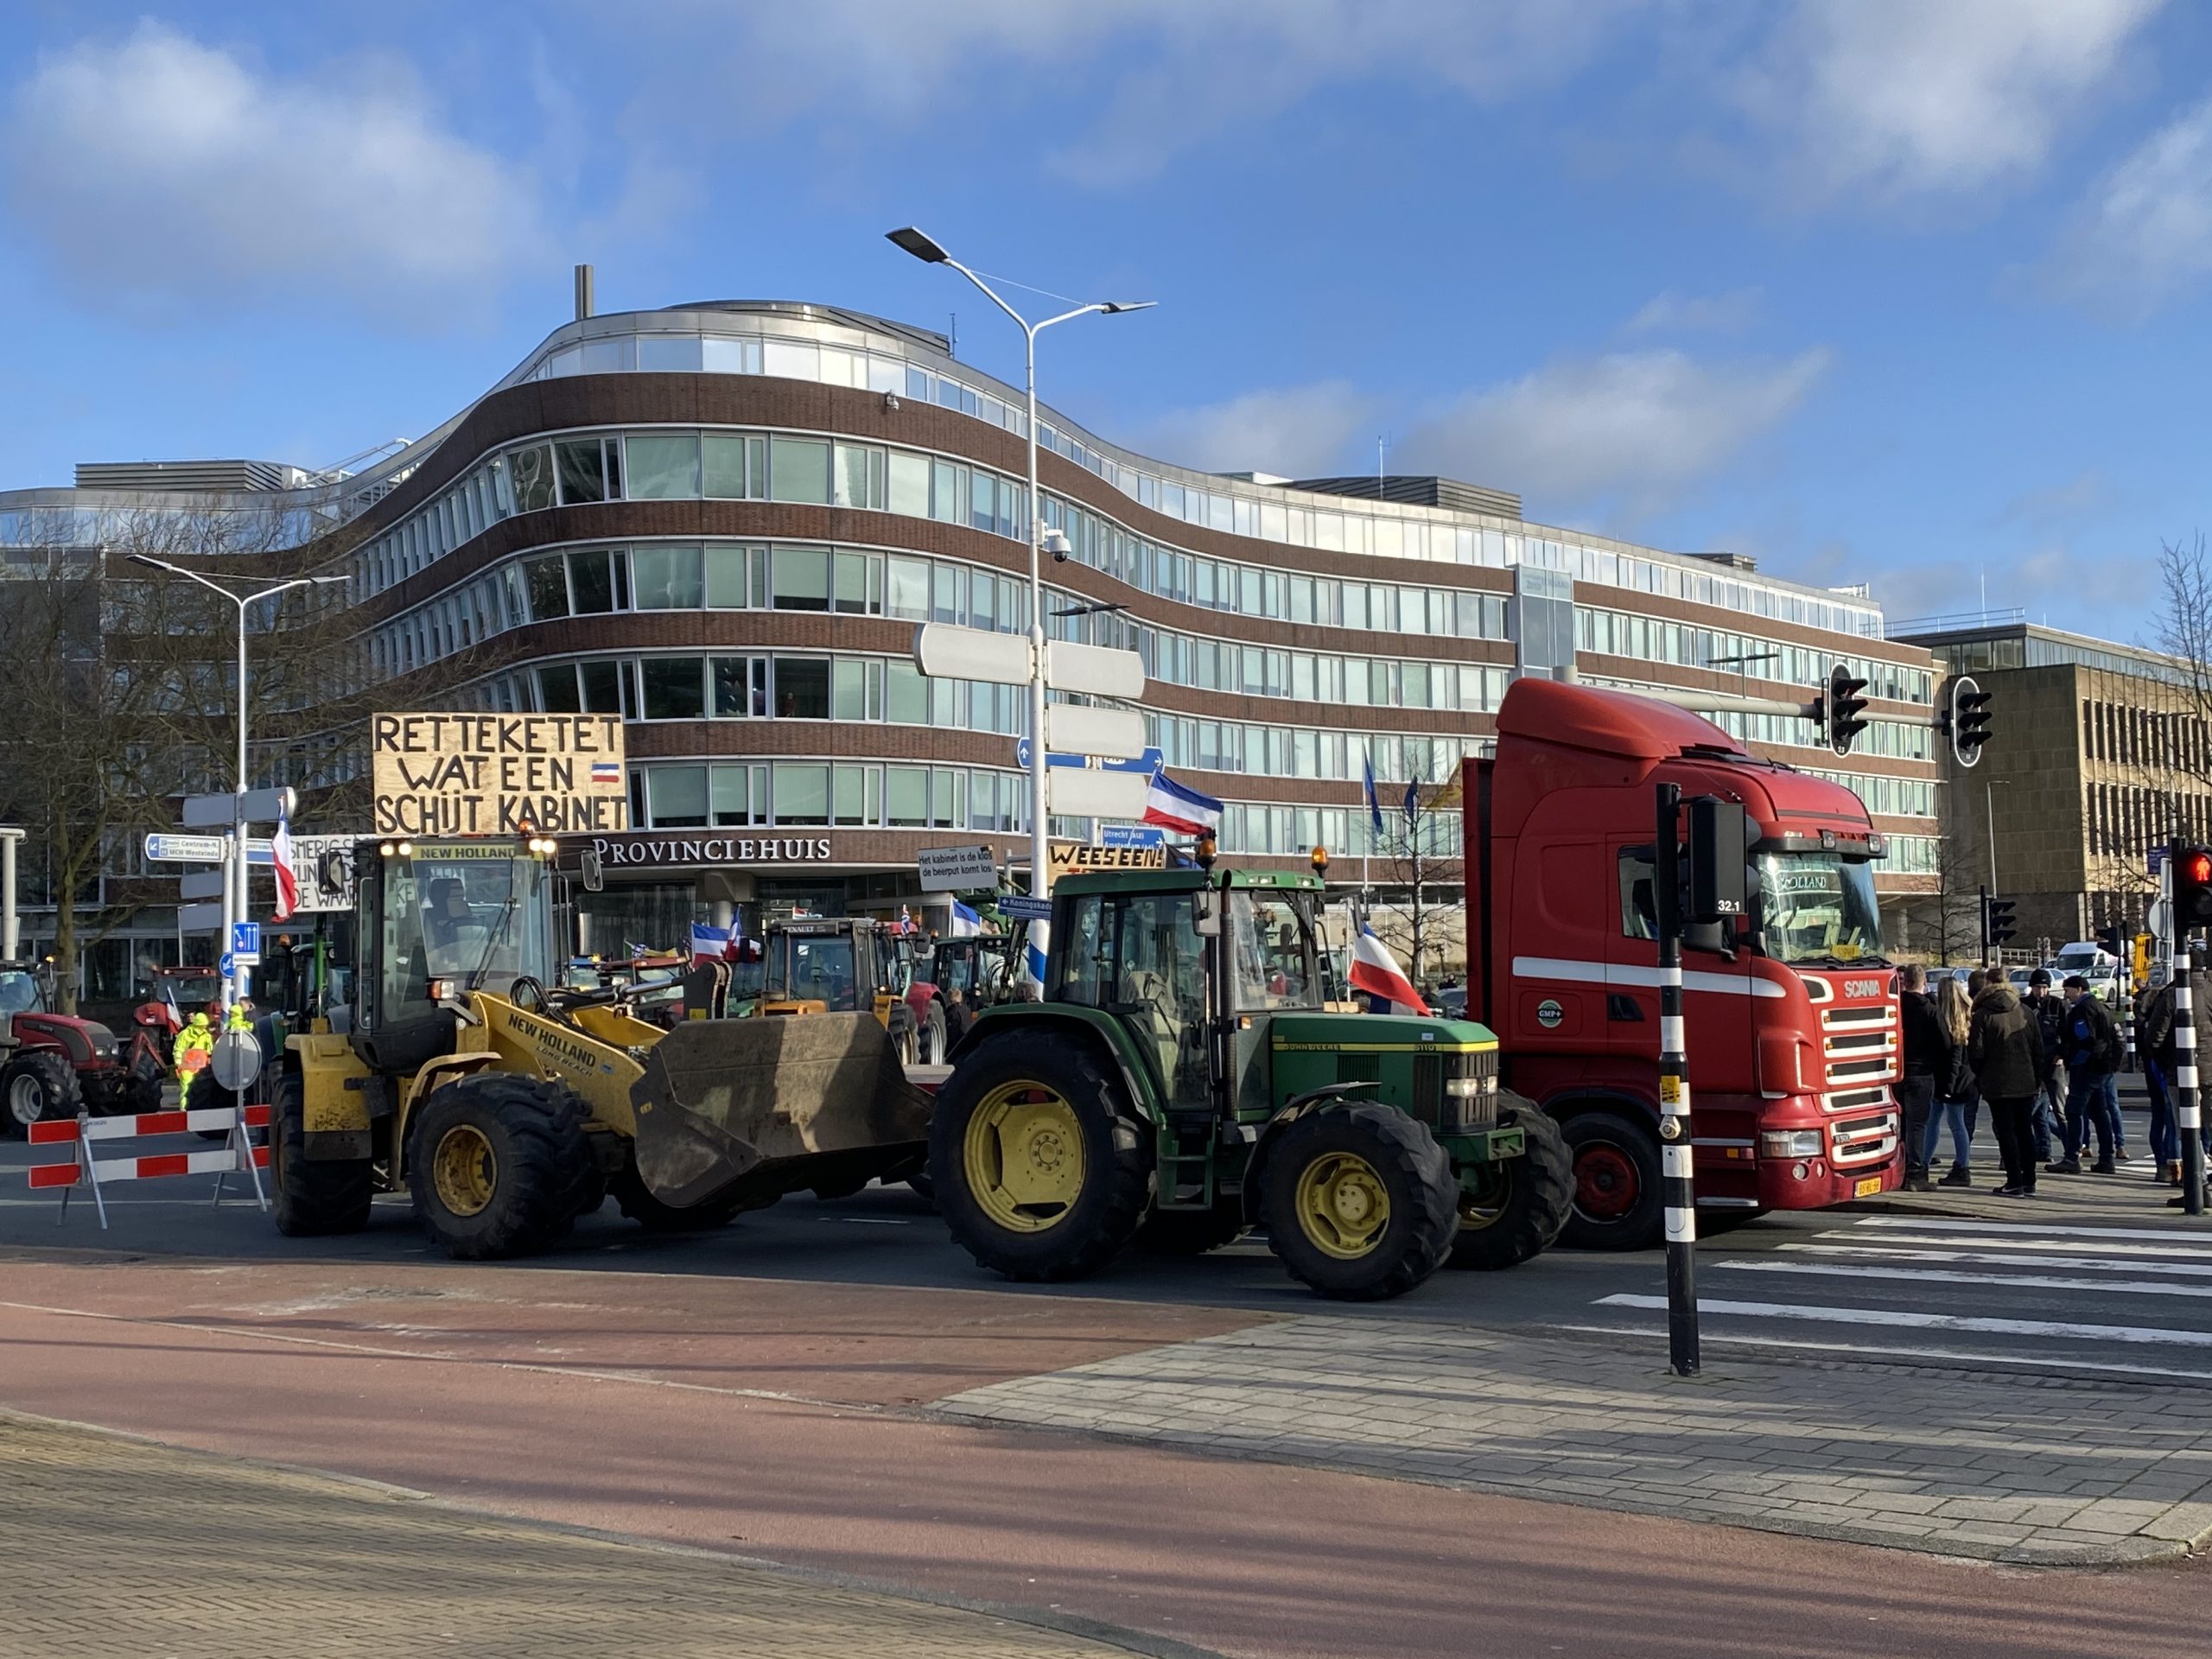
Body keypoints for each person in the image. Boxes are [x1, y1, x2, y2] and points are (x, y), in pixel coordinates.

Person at [1969, 972, 2046, 1197]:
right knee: (2025, 1130)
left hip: (1997, 1083)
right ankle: (2029, 1179)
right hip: (2025, 1080)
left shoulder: (1983, 1014)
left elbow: (1976, 1052)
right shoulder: (2025, 1011)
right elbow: (2038, 1049)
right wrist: (2036, 1077)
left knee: (2006, 1132)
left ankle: (2014, 1181)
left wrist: (1982, 1075)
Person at [2051, 974, 2124, 1174]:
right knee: (2100, 1113)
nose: (2066, 995)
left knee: (2073, 1111)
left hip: (2087, 1068)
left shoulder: (2083, 1010)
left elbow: (2085, 1040)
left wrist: (2073, 1060)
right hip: (2102, 1068)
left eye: (2068, 990)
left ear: (2079, 989)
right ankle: (2107, 1158)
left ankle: (2072, 1157)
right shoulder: (2101, 1007)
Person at [1922, 976, 1977, 1185]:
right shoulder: (1967, 1015)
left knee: (1938, 1122)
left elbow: (1952, 1058)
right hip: (1964, 1080)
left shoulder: (1944, 1018)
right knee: (1955, 1123)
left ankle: (1926, 1164)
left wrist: (1947, 1086)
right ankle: (1961, 1166)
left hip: (1949, 1080)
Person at [1896, 964, 1945, 1192]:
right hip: (1922, 1072)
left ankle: (1898, 1170)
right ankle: (1916, 1174)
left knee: (1900, 1124)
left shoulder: (1896, 1007)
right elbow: (1945, 1042)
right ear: (1924, 983)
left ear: (1904, 982)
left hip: (1898, 1072)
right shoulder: (1930, 1010)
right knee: (1917, 1125)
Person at [2137, 971, 2183, 1186]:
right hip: (2169, 1071)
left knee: (2160, 1118)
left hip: (2156, 1070)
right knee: (2175, 1122)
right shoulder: (2175, 999)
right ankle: (2176, 1168)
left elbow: (2151, 1042)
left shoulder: (2152, 1011)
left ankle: (2162, 1165)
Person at [2023, 969, 2067, 1164]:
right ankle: (2043, 1148)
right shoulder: (2023, 1005)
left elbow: (2068, 1033)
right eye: (2038, 987)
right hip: (2032, 1064)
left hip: (2054, 1063)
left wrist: (2062, 1055)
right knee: (2036, 1111)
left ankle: (2071, 1151)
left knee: (2060, 1111)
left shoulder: (2058, 1005)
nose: (2041, 992)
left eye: (2044, 987)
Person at [172, 1007, 214, 1108]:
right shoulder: (185, 1034)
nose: (203, 1028)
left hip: (201, 1068)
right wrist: (178, 1063)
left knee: (201, 1090)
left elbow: (209, 1051)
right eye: (202, 1026)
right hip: (187, 1067)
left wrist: (210, 1064)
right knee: (186, 1089)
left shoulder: (207, 1036)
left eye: (204, 1026)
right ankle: (184, 1110)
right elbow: (178, 1049)